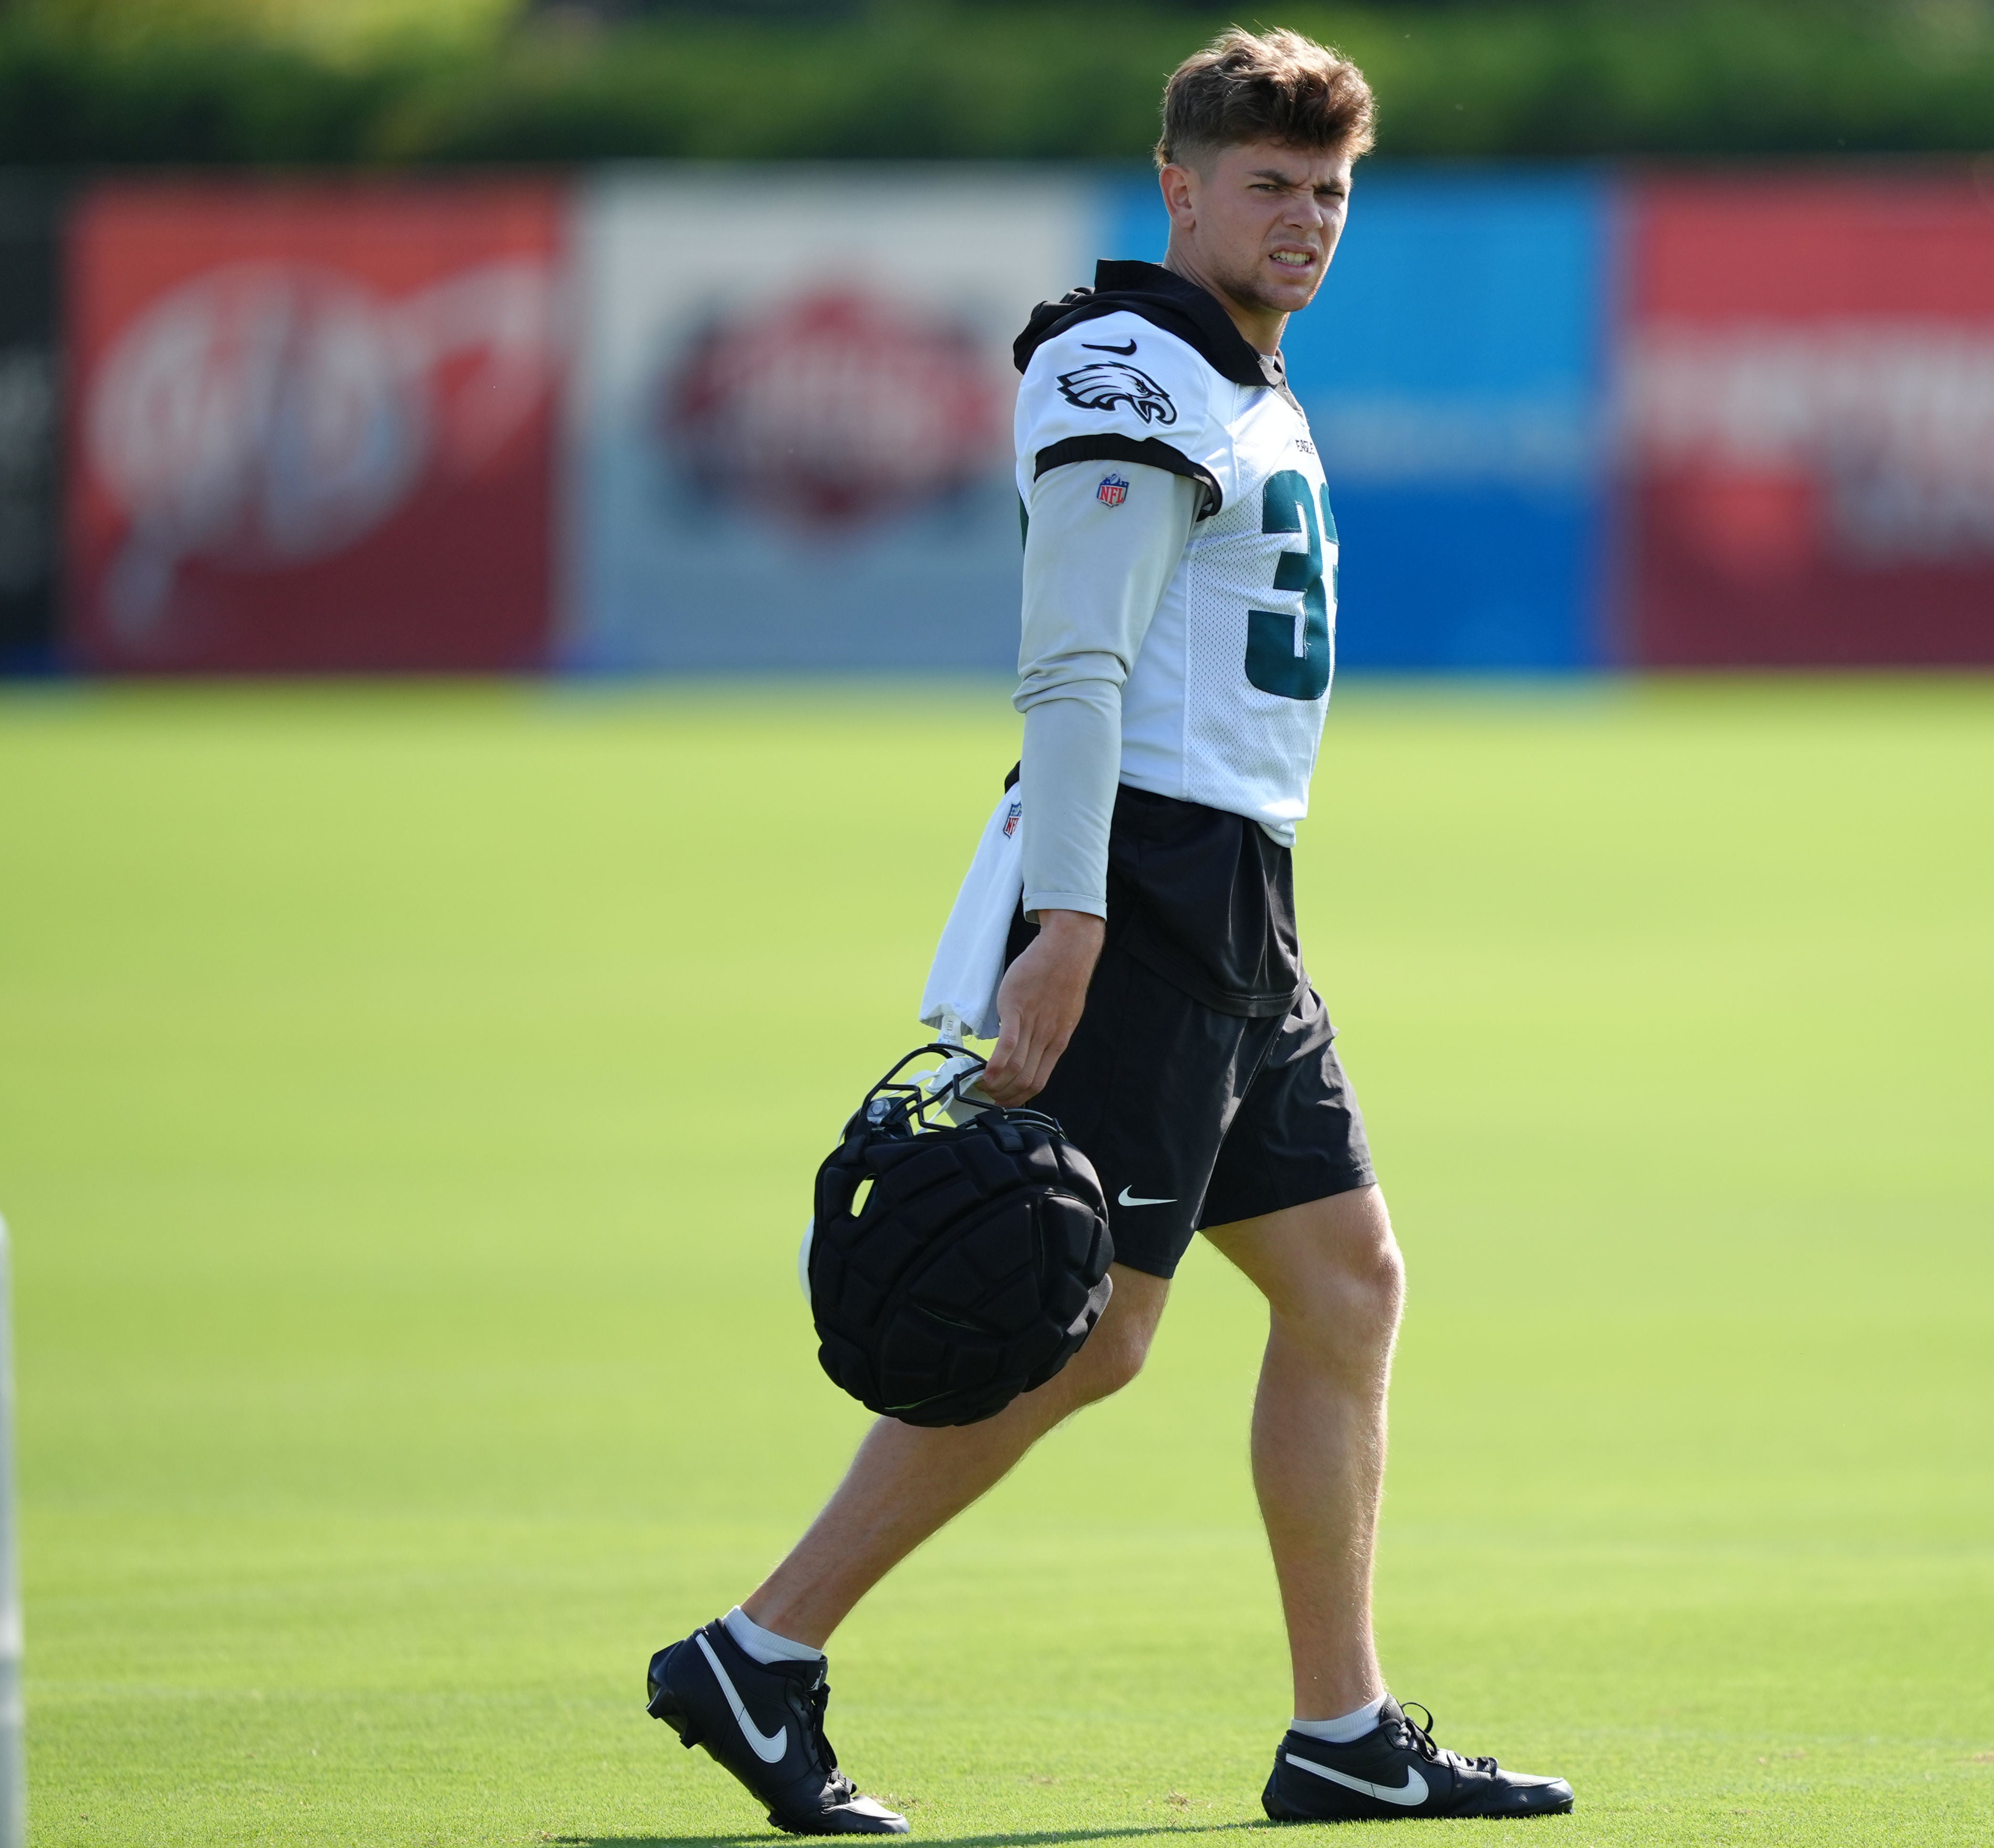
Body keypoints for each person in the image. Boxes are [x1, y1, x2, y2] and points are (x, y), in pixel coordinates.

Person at [643, 27, 1573, 1835]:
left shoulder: (1241, 373)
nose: (1305, 221)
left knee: (1346, 1285)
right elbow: (1072, 667)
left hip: (1238, 907)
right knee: (1092, 1329)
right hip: (1134, 885)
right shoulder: (1132, 366)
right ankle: (762, 1654)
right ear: (1182, 189)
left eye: (1329, 194)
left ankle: (1342, 1731)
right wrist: (1066, 920)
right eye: (1269, 188)